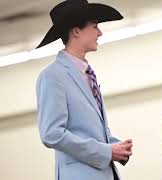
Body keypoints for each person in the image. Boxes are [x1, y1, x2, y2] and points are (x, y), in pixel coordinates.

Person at [35, 0, 133, 180]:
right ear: (76, 31)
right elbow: (51, 134)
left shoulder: (88, 73)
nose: (100, 33)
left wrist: (115, 147)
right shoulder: (52, 76)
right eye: (95, 26)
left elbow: (89, 130)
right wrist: (105, 151)